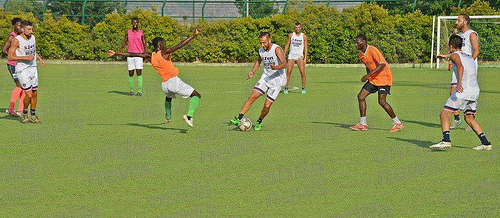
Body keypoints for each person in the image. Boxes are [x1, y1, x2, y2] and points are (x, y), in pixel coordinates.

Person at [108, 26, 202, 127]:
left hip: (165, 85)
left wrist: (116, 53)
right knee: (196, 95)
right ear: (160, 44)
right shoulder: (164, 53)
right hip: (173, 82)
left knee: (168, 97)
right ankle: (189, 116)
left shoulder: (150, 55)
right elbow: (180, 45)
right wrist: (193, 36)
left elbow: (132, 54)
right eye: (164, 43)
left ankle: (168, 116)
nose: (165, 45)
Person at [430, 35, 491, 151]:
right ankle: (486, 143)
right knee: (469, 118)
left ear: (450, 46)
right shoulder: (468, 56)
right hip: (474, 91)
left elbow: (460, 65)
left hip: (463, 90)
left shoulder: (455, 56)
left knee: (445, 114)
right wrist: (445, 56)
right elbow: (457, 58)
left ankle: (446, 140)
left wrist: (459, 83)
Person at [230, 32, 287, 131]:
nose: (262, 45)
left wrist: (276, 67)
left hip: (277, 80)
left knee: (267, 105)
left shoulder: (276, 49)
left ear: (269, 40)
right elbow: (258, 61)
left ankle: (259, 121)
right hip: (266, 77)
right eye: (261, 43)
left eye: (264, 42)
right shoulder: (261, 51)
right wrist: (252, 72)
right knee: (252, 96)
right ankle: (239, 118)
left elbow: (284, 64)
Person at [349, 34, 403, 132]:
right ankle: (363, 124)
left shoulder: (373, 50)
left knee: (381, 101)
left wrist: (368, 76)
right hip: (373, 79)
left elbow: (382, 65)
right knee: (361, 97)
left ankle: (398, 123)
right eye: (355, 43)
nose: (356, 45)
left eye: (357, 42)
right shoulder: (361, 54)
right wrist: (368, 77)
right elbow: (367, 66)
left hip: (384, 78)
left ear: (364, 42)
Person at [438, 14, 479, 130]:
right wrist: (446, 56)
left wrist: (469, 63)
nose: (456, 22)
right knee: (453, 91)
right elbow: (455, 52)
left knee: (467, 93)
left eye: (459, 20)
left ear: (465, 21)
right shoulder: (459, 36)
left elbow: (476, 50)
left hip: (468, 69)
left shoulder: (471, 34)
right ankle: (457, 119)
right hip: (458, 67)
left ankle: (471, 118)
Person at [7, 20, 46, 123]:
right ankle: (24, 112)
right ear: (23, 29)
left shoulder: (33, 38)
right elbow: (10, 56)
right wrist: (24, 57)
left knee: (34, 93)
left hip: (33, 68)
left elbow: (33, 51)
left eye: (32, 29)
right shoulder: (16, 40)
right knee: (28, 94)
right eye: (29, 29)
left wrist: (40, 59)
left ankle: (32, 114)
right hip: (22, 69)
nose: (31, 31)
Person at [119, 17, 148, 96]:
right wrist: (120, 51)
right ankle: (131, 91)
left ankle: (139, 91)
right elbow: (124, 42)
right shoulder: (128, 32)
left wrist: (146, 56)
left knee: (139, 73)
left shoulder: (141, 33)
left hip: (139, 55)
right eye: (133, 22)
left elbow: (145, 45)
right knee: (131, 73)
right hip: (130, 55)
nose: (135, 24)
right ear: (131, 23)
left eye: (136, 22)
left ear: (138, 23)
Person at [2, 18, 25, 116]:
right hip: (13, 65)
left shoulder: (22, 37)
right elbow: (4, 50)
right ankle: (12, 109)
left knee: (24, 86)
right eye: (18, 25)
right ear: (14, 26)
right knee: (20, 85)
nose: (20, 27)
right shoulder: (12, 37)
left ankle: (20, 110)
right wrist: (13, 57)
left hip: (21, 65)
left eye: (21, 25)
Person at [283, 22, 308, 95]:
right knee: (289, 72)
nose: (297, 29)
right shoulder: (291, 35)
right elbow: (287, 45)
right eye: (296, 27)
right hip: (291, 56)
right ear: (295, 28)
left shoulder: (304, 36)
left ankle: (303, 88)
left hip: (299, 56)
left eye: (298, 27)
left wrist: (305, 58)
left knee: (302, 72)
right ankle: (286, 88)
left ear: (301, 28)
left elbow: (306, 48)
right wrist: (284, 54)